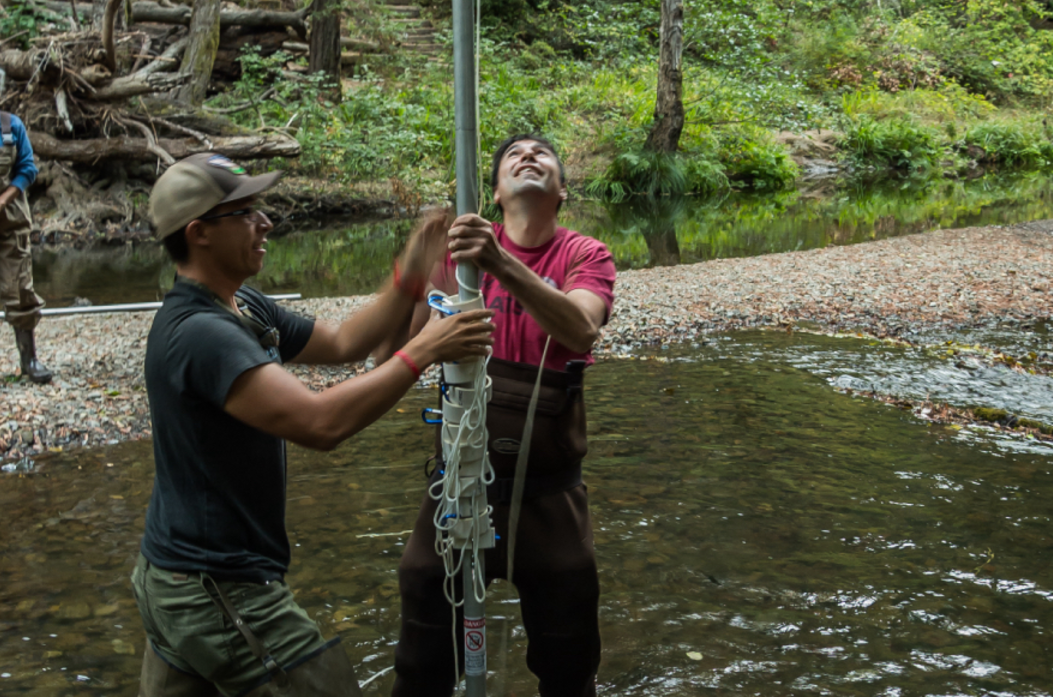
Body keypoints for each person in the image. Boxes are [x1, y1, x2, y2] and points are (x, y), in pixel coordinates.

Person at [131, 153, 494, 697]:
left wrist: (413, 269)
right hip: (217, 592)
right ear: (199, 233)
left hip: (173, 580)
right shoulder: (200, 334)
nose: (267, 222)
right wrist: (426, 348)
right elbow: (320, 423)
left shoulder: (242, 306)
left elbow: (344, 343)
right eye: (246, 212)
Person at [385, 134, 616, 697]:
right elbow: (393, 352)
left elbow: (581, 328)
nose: (528, 156)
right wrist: (413, 272)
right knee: (421, 635)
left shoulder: (585, 255)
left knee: (570, 660)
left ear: (562, 190)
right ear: (493, 191)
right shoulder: (457, 269)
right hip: (457, 487)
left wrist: (498, 262)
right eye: (514, 155)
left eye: (542, 154)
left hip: (550, 493)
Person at [0, 110, 51, 383]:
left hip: (11, 224)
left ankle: (29, 361)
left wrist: (3, 200)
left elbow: (27, 169)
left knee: (20, 290)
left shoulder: (12, 126)